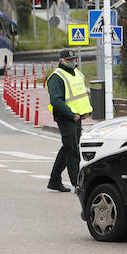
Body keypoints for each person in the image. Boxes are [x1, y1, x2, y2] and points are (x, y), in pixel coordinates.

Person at [46, 49, 91, 191]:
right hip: (66, 118)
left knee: (68, 148)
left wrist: (85, 112)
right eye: (69, 60)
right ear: (61, 61)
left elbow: (81, 95)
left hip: (77, 117)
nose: (72, 62)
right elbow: (56, 101)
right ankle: (76, 182)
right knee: (72, 150)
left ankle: (54, 181)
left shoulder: (77, 73)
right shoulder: (56, 77)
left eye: (74, 59)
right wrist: (72, 115)